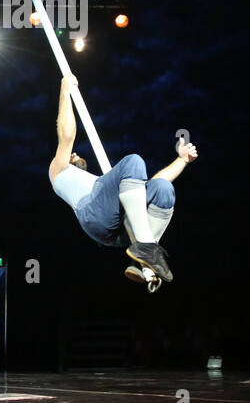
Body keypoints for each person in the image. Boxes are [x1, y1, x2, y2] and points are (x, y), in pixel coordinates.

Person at [47, 74, 197, 285]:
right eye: (73, 155)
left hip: (122, 229)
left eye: (75, 154)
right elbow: (67, 135)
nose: (74, 155)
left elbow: (148, 187)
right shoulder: (58, 169)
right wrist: (65, 90)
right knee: (132, 162)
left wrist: (182, 161)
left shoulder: (110, 187)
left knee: (163, 189)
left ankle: (144, 262)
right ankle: (147, 247)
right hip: (94, 215)